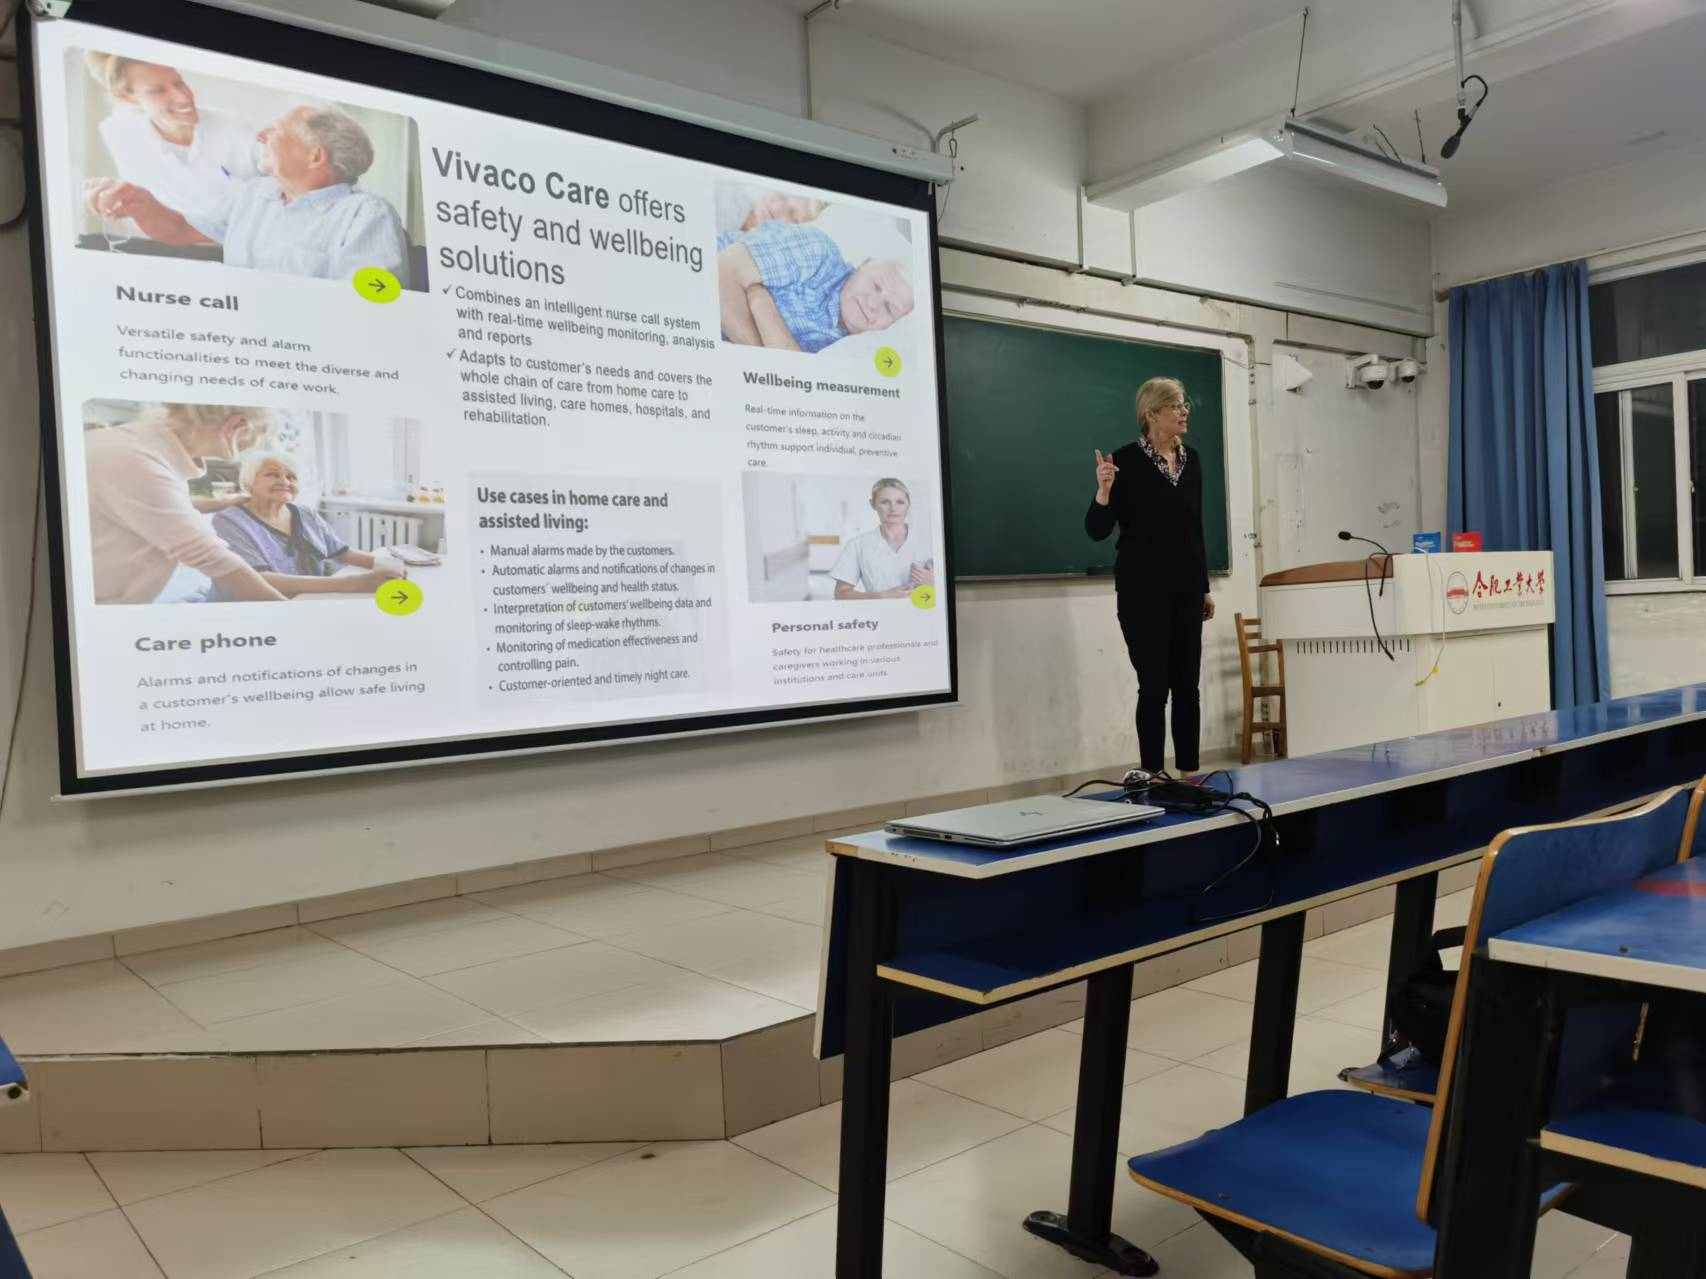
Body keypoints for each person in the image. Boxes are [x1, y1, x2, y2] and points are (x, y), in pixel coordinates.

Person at [85, 106, 409, 284]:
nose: (261, 136)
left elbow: (374, 305)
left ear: (315, 156)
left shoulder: (366, 214)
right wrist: (140, 203)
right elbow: (181, 229)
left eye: (277, 130)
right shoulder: (255, 195)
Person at [1085, 377, 1215, 775]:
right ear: (1152, 414)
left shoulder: (1192, 460)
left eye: (1184, 405)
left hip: (1186, 589)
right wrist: (1104, 491)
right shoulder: (1124, 462)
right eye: (1176, 405)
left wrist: (1203, 587)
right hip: (1142, 592)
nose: (1184, 411)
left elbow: (1195, 527)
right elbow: (1096, 530)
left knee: (1187, 686)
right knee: (1155, 687)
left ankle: (1190, 774)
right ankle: (1154, 774)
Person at [85, 404, 287, 604]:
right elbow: (210, 556)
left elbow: (160, 503)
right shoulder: (136, 460)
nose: (257, 444)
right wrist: (287, 611)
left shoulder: (136, 447)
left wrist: (222, 502)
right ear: (236, 426)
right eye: (260, 435)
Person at [82, 53, 259, 234]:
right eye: (158, 90)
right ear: (126, 96)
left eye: (179, 83)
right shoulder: (122, 133)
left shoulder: (232, 124)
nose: (184, 97)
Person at [208, 451, 404, 601]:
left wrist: (388, 565)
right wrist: (350, 583)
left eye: (291, 477)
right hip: (256, 607)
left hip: (306, 598)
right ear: (248, 484)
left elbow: (341, 552)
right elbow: (256, 580)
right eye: (272, 475)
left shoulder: (305, 513)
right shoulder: (229, 521)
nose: (284, 481)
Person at [717, 220, 912, 353]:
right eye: (875, 285)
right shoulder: (818, 254)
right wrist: (774, 361)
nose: (873, 303)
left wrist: (760, 301)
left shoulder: (849, 352)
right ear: (863, 265)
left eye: (889, 308)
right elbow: (721, 273)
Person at [831, 478, 934, 600]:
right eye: (885, 502)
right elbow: (840, 594)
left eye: (900, 502)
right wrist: (882, 596)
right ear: (872, 504)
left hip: (924, 609)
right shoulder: (857, 545)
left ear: (908, 504)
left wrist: (935, 582)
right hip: (878, 611)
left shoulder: (931, 540)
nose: (893, 508)